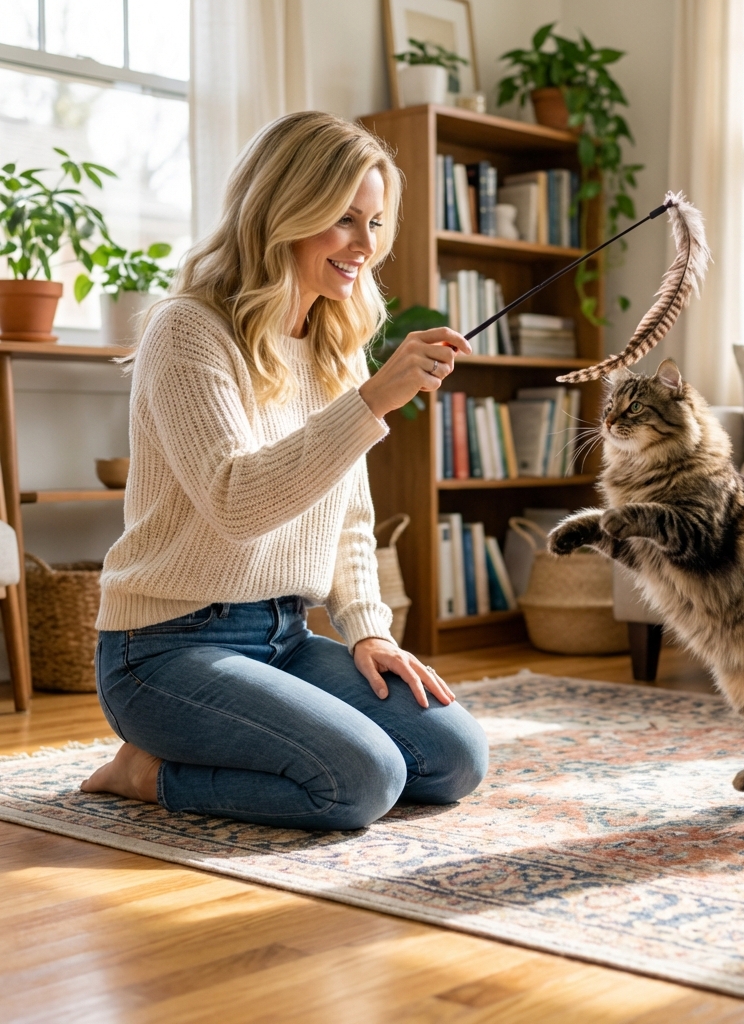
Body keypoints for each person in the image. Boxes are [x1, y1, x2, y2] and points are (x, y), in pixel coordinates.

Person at [80, 112, 488, 830]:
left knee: (455, 759)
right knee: (364, 780)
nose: (366, 245)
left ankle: (248, 740)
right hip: (165, 650)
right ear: (283, 209)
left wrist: (368, 632)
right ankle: (144, 772)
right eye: (344, 219)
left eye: (376, 221)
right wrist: (372, 401)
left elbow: (350, 518)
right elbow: (238, 502)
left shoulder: (337, 345)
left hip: (286, 636)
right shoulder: (187, 330)